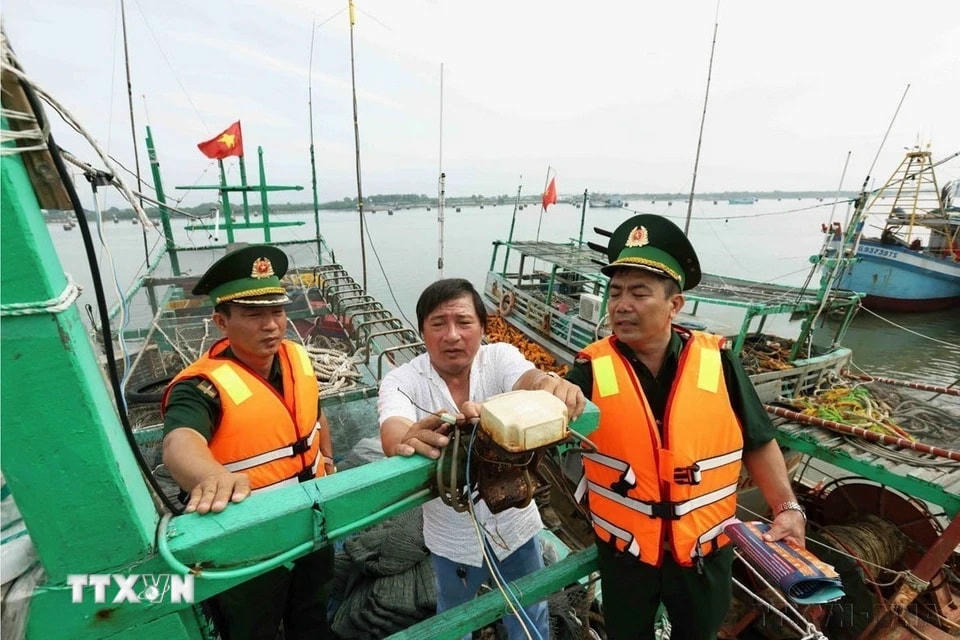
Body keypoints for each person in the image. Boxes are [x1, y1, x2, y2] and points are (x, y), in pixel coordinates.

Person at [566, 215, 806, 640]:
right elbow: (549, 420)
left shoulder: (718, 362)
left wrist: (787, 508)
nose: (622, 305)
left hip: (704, 552)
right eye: (615, 292)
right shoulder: (589, 369)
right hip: (627, 555)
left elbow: (758, 440)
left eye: (639, 293)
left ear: (674, 306)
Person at [378, 278, 585, 640]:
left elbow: (529, 378)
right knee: (454, 617)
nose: (452, 335)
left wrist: (550, 385)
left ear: (483, 327)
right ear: (423, 331)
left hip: (515, 522)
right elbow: (393, 430)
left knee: (529, 609)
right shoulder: (402, 380)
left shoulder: (500, 357)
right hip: (451, 534)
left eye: (463, 322)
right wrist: (407, 438)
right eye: (438, 324)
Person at [161, 244, 334, 640]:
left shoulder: (296, 357)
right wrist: (208, 474)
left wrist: (329, 457)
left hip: (315, 520)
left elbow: (312, 415)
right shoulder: (202, 385)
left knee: (312, 614)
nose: (271, 325)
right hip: (250, 539)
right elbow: (179, 440)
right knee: (252, 628)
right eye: (254, 315)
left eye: (277, 311)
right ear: (221, 321)